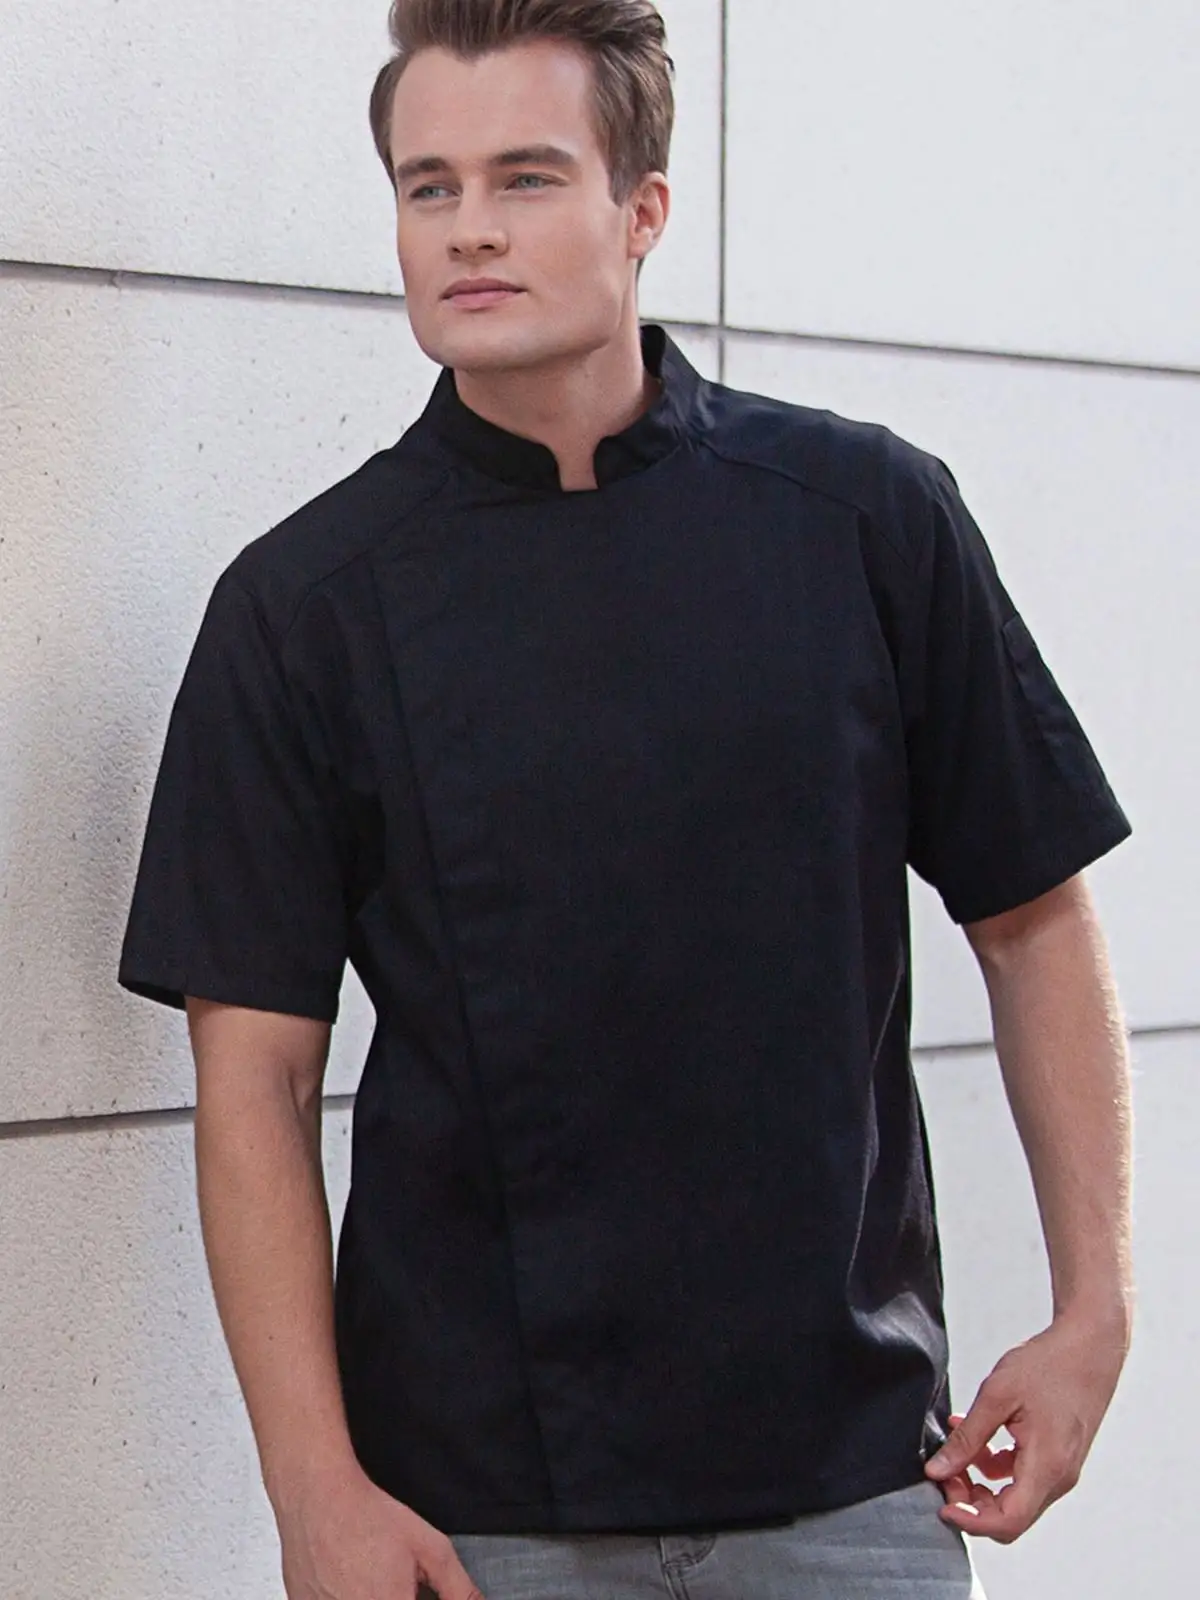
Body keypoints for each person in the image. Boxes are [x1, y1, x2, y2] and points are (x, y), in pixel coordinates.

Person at [118, 2, 1134, 1596]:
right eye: (429, 186)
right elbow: (253, 1077)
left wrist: (1097, 1311)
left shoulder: (865, 519)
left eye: (524, 178)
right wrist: (313, 1487)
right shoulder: (302, 607)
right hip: (475, 1515)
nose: (468, 230)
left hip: (852, 1491)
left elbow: (1036, 918)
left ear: (643, 207)